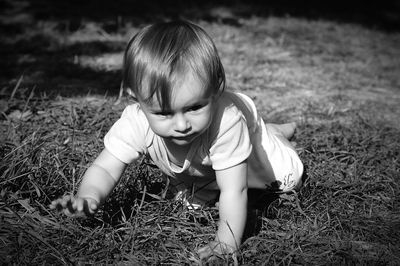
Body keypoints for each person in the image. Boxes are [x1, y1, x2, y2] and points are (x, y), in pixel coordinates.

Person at [50, 20, 303, 260]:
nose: (182, 125)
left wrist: (226, 243)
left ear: (215, 89)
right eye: (163, 113)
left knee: (287, 179)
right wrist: (89, 196)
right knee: (191, 203)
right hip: (205, 160)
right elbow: (105, 167)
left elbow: (234, 189)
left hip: (245, 135)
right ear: (137, 98)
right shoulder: (136, 121)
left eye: (194, 108)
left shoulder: (227, 122)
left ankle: (274, 135)